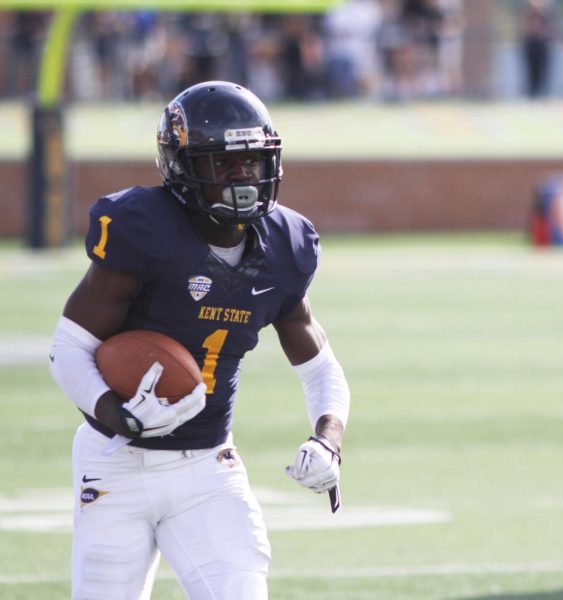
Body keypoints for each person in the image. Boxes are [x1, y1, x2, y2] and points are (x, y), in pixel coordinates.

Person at [49, 81, 351, 598]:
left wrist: (328, 439)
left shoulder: (286, 245)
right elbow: (68, 348)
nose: (244, 177)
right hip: (115, 459)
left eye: (253, 162)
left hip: (208, 467)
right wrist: (115, 413)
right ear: (182, 167)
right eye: (223, 164)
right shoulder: (142, 230)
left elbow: (320, 368)